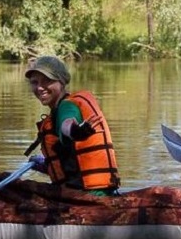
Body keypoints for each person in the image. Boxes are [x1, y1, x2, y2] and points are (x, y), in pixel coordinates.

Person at [24, 55, 120, 196]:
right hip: (96, 192)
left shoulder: (67, 107)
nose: (39, 87)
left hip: (86, 196)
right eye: (35, 82)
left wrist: (75, 131)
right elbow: (71, 163)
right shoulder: (57, 111)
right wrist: (47, 166)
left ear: (62, 82)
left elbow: (67, 124)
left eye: (47, 81)